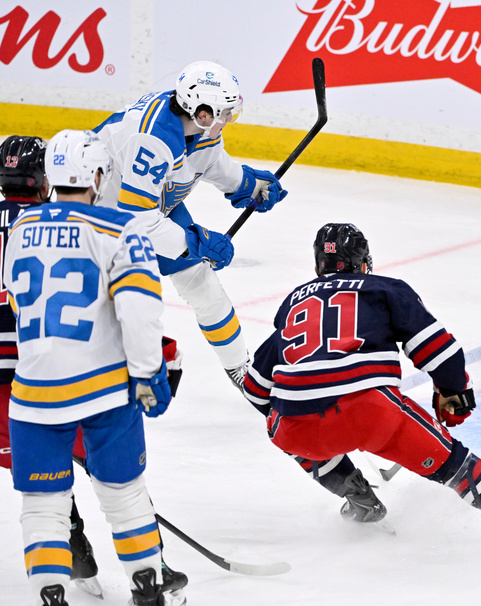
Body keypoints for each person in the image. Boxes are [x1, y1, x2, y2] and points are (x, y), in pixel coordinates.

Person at [241, 223, 481, 539]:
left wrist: (305, 409)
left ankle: (355, 493)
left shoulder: (293, 304)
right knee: (453, 464)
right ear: (362, 263)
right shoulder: (383, 288)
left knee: (282, 420)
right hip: (371, 412)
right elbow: (439, 351)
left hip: (298, 429)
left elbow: (254, 390)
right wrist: (454, 395)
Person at [4, 129, 182, 606]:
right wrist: (147, 373)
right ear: (97, 175)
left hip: (32, 392)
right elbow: (139, 310)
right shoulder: (121, 229)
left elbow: (22, 306)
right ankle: (148, 584)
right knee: (123, 493)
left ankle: (50, 590)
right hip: (103, 390)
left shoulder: (20, 231)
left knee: (43, 504)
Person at [93, 60, 288, 390]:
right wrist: (195, 243)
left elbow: (213, 164)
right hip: (102, 219)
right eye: (224, 113)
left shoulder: (198, 126)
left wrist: (250, 186)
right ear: (202, 113)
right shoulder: (153, 140)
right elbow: (137, 221)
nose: (228, 120)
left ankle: (242, 371)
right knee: (114, 303)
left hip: (150, 206)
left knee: (201, 282)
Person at [0, 134, 104, 597]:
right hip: (43, 376)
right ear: (45, 181)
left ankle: (70, 554)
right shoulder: (57, 226)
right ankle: (145, 565)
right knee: (106, 465)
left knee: (39, 479)